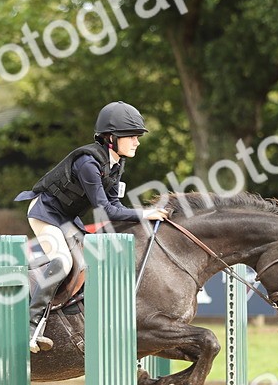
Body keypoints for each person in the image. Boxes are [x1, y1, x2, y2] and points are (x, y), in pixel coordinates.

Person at [14, 100, 168, 352]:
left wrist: (143, 217)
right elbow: (106, 210)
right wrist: (145, 213)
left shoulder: (116, 163)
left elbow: (115, 204)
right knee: (63, 262)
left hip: (67, 218)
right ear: (111, 138)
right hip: (45, 213)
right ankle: (29, 326)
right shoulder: (88, 164)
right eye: (131, 137)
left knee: (90, 260)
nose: (137, 142)